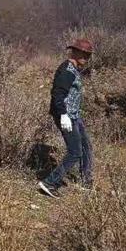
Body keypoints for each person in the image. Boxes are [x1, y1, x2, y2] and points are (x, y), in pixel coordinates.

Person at [38, 39, 94, 198]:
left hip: (74, 115)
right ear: (74, 52)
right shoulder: (67, 70)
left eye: (88, 55)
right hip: (67, 116)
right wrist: (63, 115)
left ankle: (86, 181)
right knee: (75, 151)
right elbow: (57, 95)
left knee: (86, 147)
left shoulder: (74, 69)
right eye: (83, 53)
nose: (85, 57)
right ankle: (50, 182)